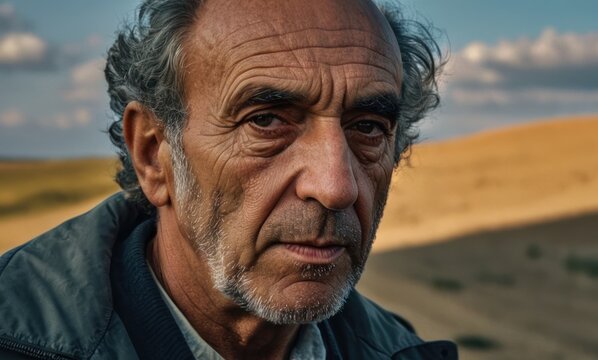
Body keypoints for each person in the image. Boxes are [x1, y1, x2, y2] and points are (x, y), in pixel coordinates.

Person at [0, 0, 456, 359]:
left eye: (368, 127)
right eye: (266, 121)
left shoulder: (401, 352)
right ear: (154, 154)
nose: (336, 186)